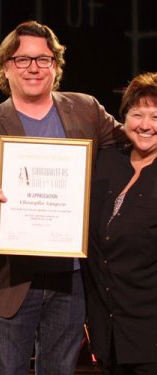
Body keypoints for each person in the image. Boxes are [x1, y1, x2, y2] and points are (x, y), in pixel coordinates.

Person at [0, 20, 126, 375]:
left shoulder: (87, 110)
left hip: (71, 277)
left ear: (56, 65)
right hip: (10, 280)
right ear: (6, 67)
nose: (33, 68)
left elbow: (132, 146)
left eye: (43, 59)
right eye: (22, 60)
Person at [83, 72, 157, 375]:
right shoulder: (106, 162)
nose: (145, 125)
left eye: (155, 116)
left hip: (150, 334)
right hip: (108, 333)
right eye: (136, 114)